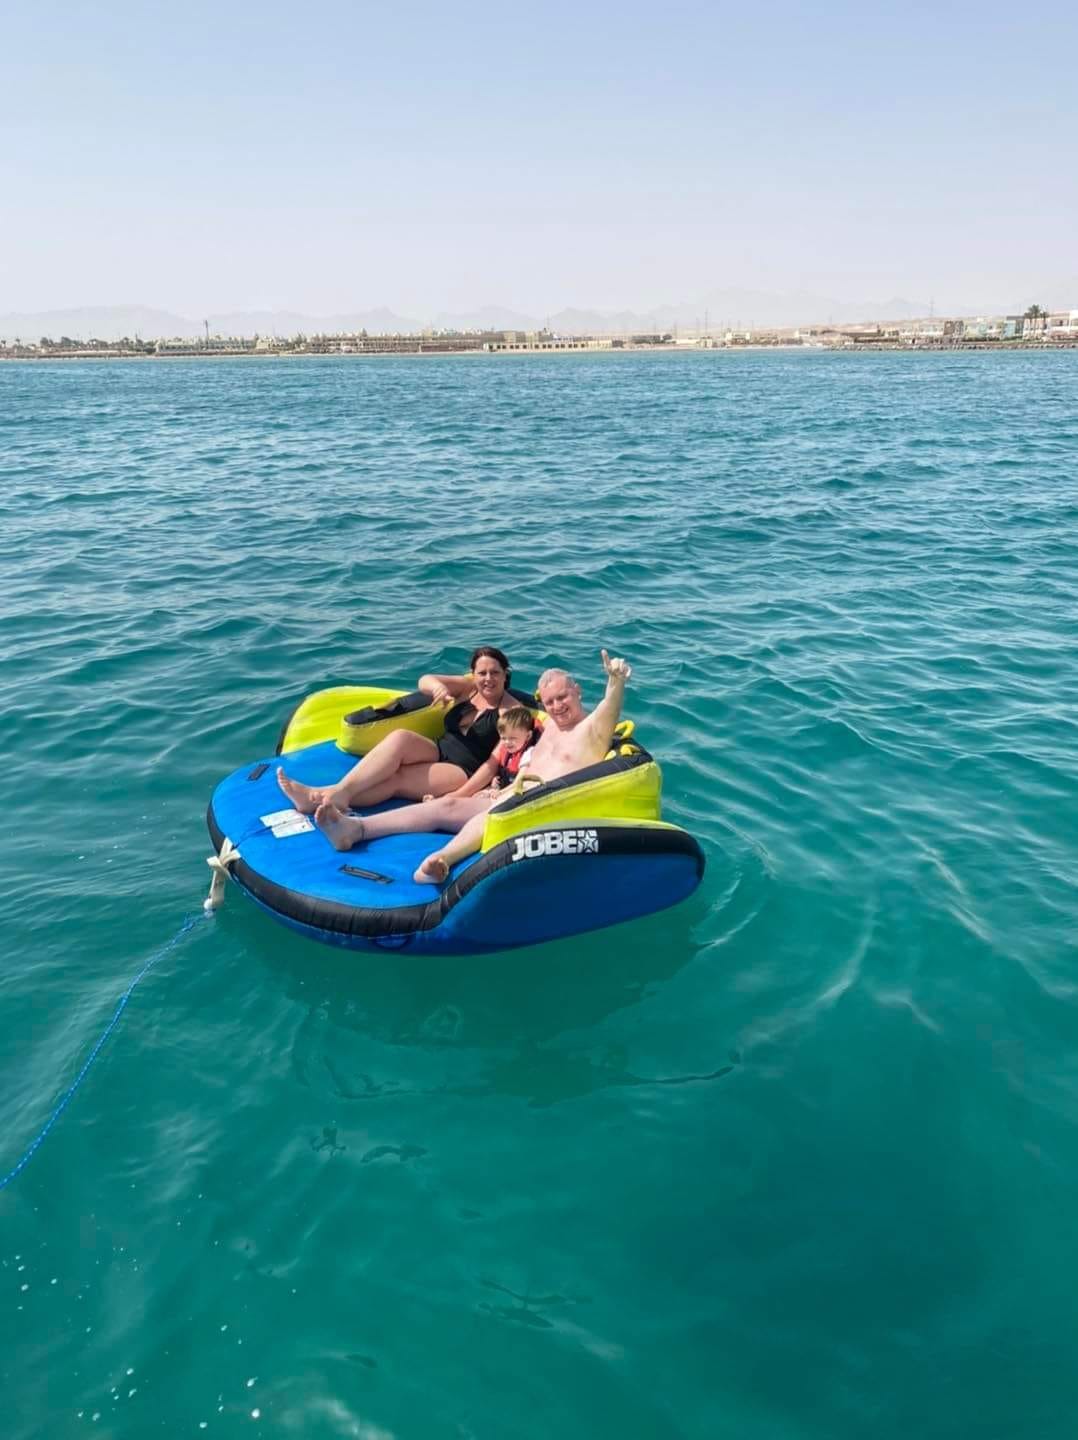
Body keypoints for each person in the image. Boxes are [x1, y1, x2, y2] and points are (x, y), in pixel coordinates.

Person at [313, 649, 633, 883]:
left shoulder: (591, 731)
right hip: (513, 794)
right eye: (549, 702)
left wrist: (616, 681)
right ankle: (355, 829)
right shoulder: (549, 728)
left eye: (563, 697)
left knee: (491, 816)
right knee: (446, 805)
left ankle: (443, 859)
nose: (557, 707)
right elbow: (520, 764)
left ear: (577, 692)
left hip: (546, 806)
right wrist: (497, 789)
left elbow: (609, 708)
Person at [276, 646, 525, 814]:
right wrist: (437, 688)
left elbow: (493, 763)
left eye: (495, 672)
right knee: (400, 739)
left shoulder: (511, 711)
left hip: (462, 769)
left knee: (397, 778)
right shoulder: (469, 689)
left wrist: (460, 795)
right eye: (482, 673)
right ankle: (338, 792)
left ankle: (319, 798)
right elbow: (425, 679)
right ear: (474, 674)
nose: (488, 678)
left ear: (505, 674)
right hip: (439, 748)